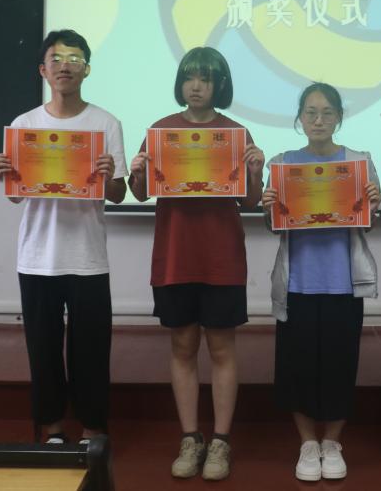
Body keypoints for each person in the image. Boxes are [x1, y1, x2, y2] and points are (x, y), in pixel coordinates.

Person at [128, 46, 264, 481]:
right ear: (180, 83)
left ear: (219, 85)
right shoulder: (161, 131)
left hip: (222, 258)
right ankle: (191, 438)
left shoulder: (236, 133)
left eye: (206, 78)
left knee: (222, 349)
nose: (197, 86)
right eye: (190, 77)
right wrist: (137, 169)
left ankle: (221, 441)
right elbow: (139, 192)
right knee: (183, 347)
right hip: (175, 257)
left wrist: (255, 170)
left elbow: (250, 201)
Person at [0, 29, 127, 445]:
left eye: (74, 59)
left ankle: (92, 428)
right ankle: (52, 429)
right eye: (56, 59)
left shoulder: (106, 123)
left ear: (87, 69)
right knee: (42, 348)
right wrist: (7, 175)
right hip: (38, 257)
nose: (64, 66)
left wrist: (107, 175)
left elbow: (118, 193)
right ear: (43, 70)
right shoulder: (24, 125)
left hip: (88, 257)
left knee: (91, 350)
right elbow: (17, 197)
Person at [261, 83, 381, 482]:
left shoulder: (358, 162)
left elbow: (368, 224)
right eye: (311, 112)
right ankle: (308, 443)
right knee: (297, 368)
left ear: (339, 118)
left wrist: (371, 203)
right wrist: (269, 208)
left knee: (340, 365)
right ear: (300, 118)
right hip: (297, 284)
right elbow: (273, 226)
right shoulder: (283, 164)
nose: (318, 120)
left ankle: (332, 442)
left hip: (343, 284)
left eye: (327, 112)